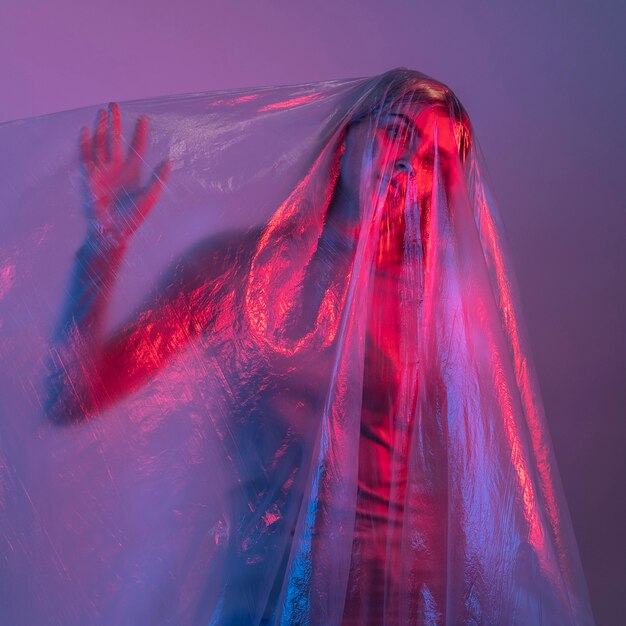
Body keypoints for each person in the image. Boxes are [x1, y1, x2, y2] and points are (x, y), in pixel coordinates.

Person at [41, 69, 593, 625]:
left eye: (434, 160)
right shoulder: (237, 271)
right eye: (396, 131)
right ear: (345, 134)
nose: (406, 160)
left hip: (398, 607)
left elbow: (480, 494)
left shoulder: (442, 310)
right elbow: (73, 395)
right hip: (264, 598)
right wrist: (101, 250)